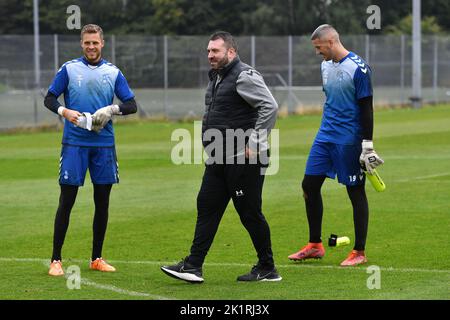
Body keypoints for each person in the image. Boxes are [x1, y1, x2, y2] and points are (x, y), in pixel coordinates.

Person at [161, 31, 281, 283]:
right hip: (219, 158)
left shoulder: (244, 76)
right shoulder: (216, 77)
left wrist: (255, 142)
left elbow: (269, 106)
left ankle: (268, 267)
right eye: (208, 51)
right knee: (207, 206)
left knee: (249, 212)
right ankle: (193, 265)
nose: (210, 55)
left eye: (215, 51)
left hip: (243, 159)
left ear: (231, 52)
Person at [44, 24, 137, 276]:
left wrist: (111, 110)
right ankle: (56, 260)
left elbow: (131, 104)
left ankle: (96, 258)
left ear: (102, 43)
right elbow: (49, 98)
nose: (91, 47)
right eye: (87, 42)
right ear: (81, 44)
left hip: (104, 145)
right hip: (74, 144)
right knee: (67, 201)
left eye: (95, 42)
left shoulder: (113, 72)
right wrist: (65, 111)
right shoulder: (69, 69)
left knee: (102, 202)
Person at [288, 25, 384, 266]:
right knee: (309, 185)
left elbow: (366, 108)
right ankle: (315, 245)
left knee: (355, 191)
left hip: (349, 139)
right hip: (325, 136)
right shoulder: (325, 66)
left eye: (319, 48)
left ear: (331, 42)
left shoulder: (359, 68)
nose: (317, 53)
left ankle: (359, 251)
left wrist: (367, 145)